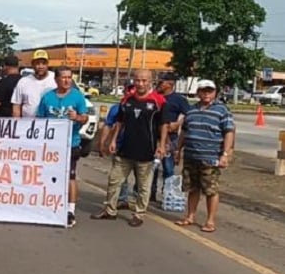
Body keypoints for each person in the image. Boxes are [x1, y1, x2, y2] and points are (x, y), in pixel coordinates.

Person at [91, 69, 165, 227]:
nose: (141, 83)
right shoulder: (126, 100)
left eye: (144, 80)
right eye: (138, 80)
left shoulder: (158, 101)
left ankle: (139, 214)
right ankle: (110, 210)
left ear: (151, 81)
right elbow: (119, 122)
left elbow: (163, 126)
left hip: (146, 151)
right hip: (125, 149)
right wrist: (113, 140)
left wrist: (162, 145)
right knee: (114, 180)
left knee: (143, 186)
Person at [174, 80, 235, 233]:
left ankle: (210, 221)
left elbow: (229, 132)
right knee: (192, 188)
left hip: (211, 158)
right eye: (203, 90)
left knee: (211, 190)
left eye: (210, 91)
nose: (206, 94)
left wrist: (225, 154)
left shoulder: (222, 110)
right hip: (191, 156)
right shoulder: (191, 111)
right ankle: (190, 216)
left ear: (215, 93)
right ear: (198, 92)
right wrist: (178, 150)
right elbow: (184, 132)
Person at [37, 66, 89, 227]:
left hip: (70, 143)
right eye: (63, 77)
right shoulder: (47, 97)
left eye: (69, 77)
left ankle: (70, 210)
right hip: (51, 145)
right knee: (47, 175)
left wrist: (77, 117)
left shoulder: (77, 96)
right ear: (56, 79)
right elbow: (39, 120)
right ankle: (47, 204)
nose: (67, 80)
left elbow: (85, 117)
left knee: (70, 176)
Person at [153, 72, 190, 203]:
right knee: (152, 168)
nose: (159, 84)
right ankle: (150, 194)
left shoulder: (178, 99)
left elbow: (189, 114)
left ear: (170, 84)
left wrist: (177, 123)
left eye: (161, 82)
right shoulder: (154, 97)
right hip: (153, 137)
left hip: (170, 138)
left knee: (168, 168)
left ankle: (167, 194)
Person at [11, 49, 55, 118]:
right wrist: (17, 125)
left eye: (43, 63)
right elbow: (16, 106)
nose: (40, 66)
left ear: (47, 64)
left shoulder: (56, 79)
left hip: (50, 124)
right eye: (37, 63)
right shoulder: (23, 81)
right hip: (28, 125)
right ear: (32, 64)